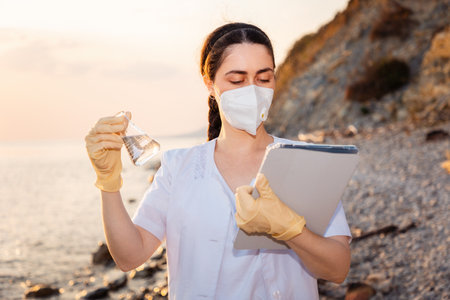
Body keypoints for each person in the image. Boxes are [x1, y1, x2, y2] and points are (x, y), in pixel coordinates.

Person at [85, 22, 351, 299]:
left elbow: (338, 268)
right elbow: (129, 257)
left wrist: (290, 230)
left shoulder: (306, 160)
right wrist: (109, 183)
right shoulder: (179, 167)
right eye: (237, 80)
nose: (252, 90)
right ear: (210, 85)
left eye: (264, 78)